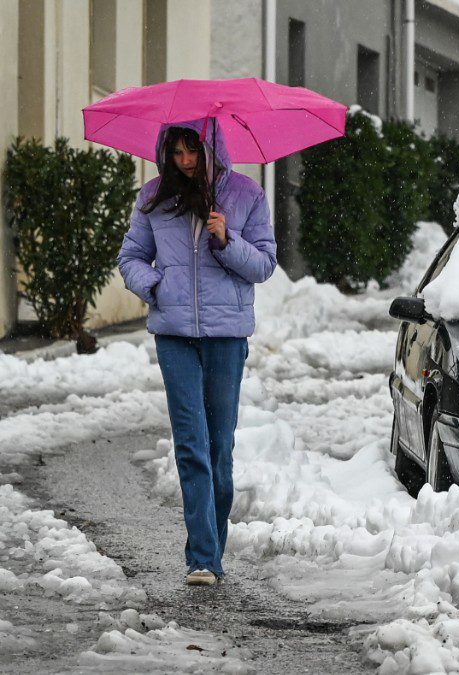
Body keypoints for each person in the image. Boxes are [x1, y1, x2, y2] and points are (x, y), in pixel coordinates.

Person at [117, 120, 276, 586]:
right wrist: (156, 286)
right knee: (191, 445)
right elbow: (130, 258)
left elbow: (264, 264)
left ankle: (210, 543)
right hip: (175, 335)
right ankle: (203, 558)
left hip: (227, 336)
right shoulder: (154, 198)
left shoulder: (246, 194)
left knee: (219, 448)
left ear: (210, 149)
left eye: (193, 151)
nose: (185, 161)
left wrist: (227, 240)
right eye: (176, 152)